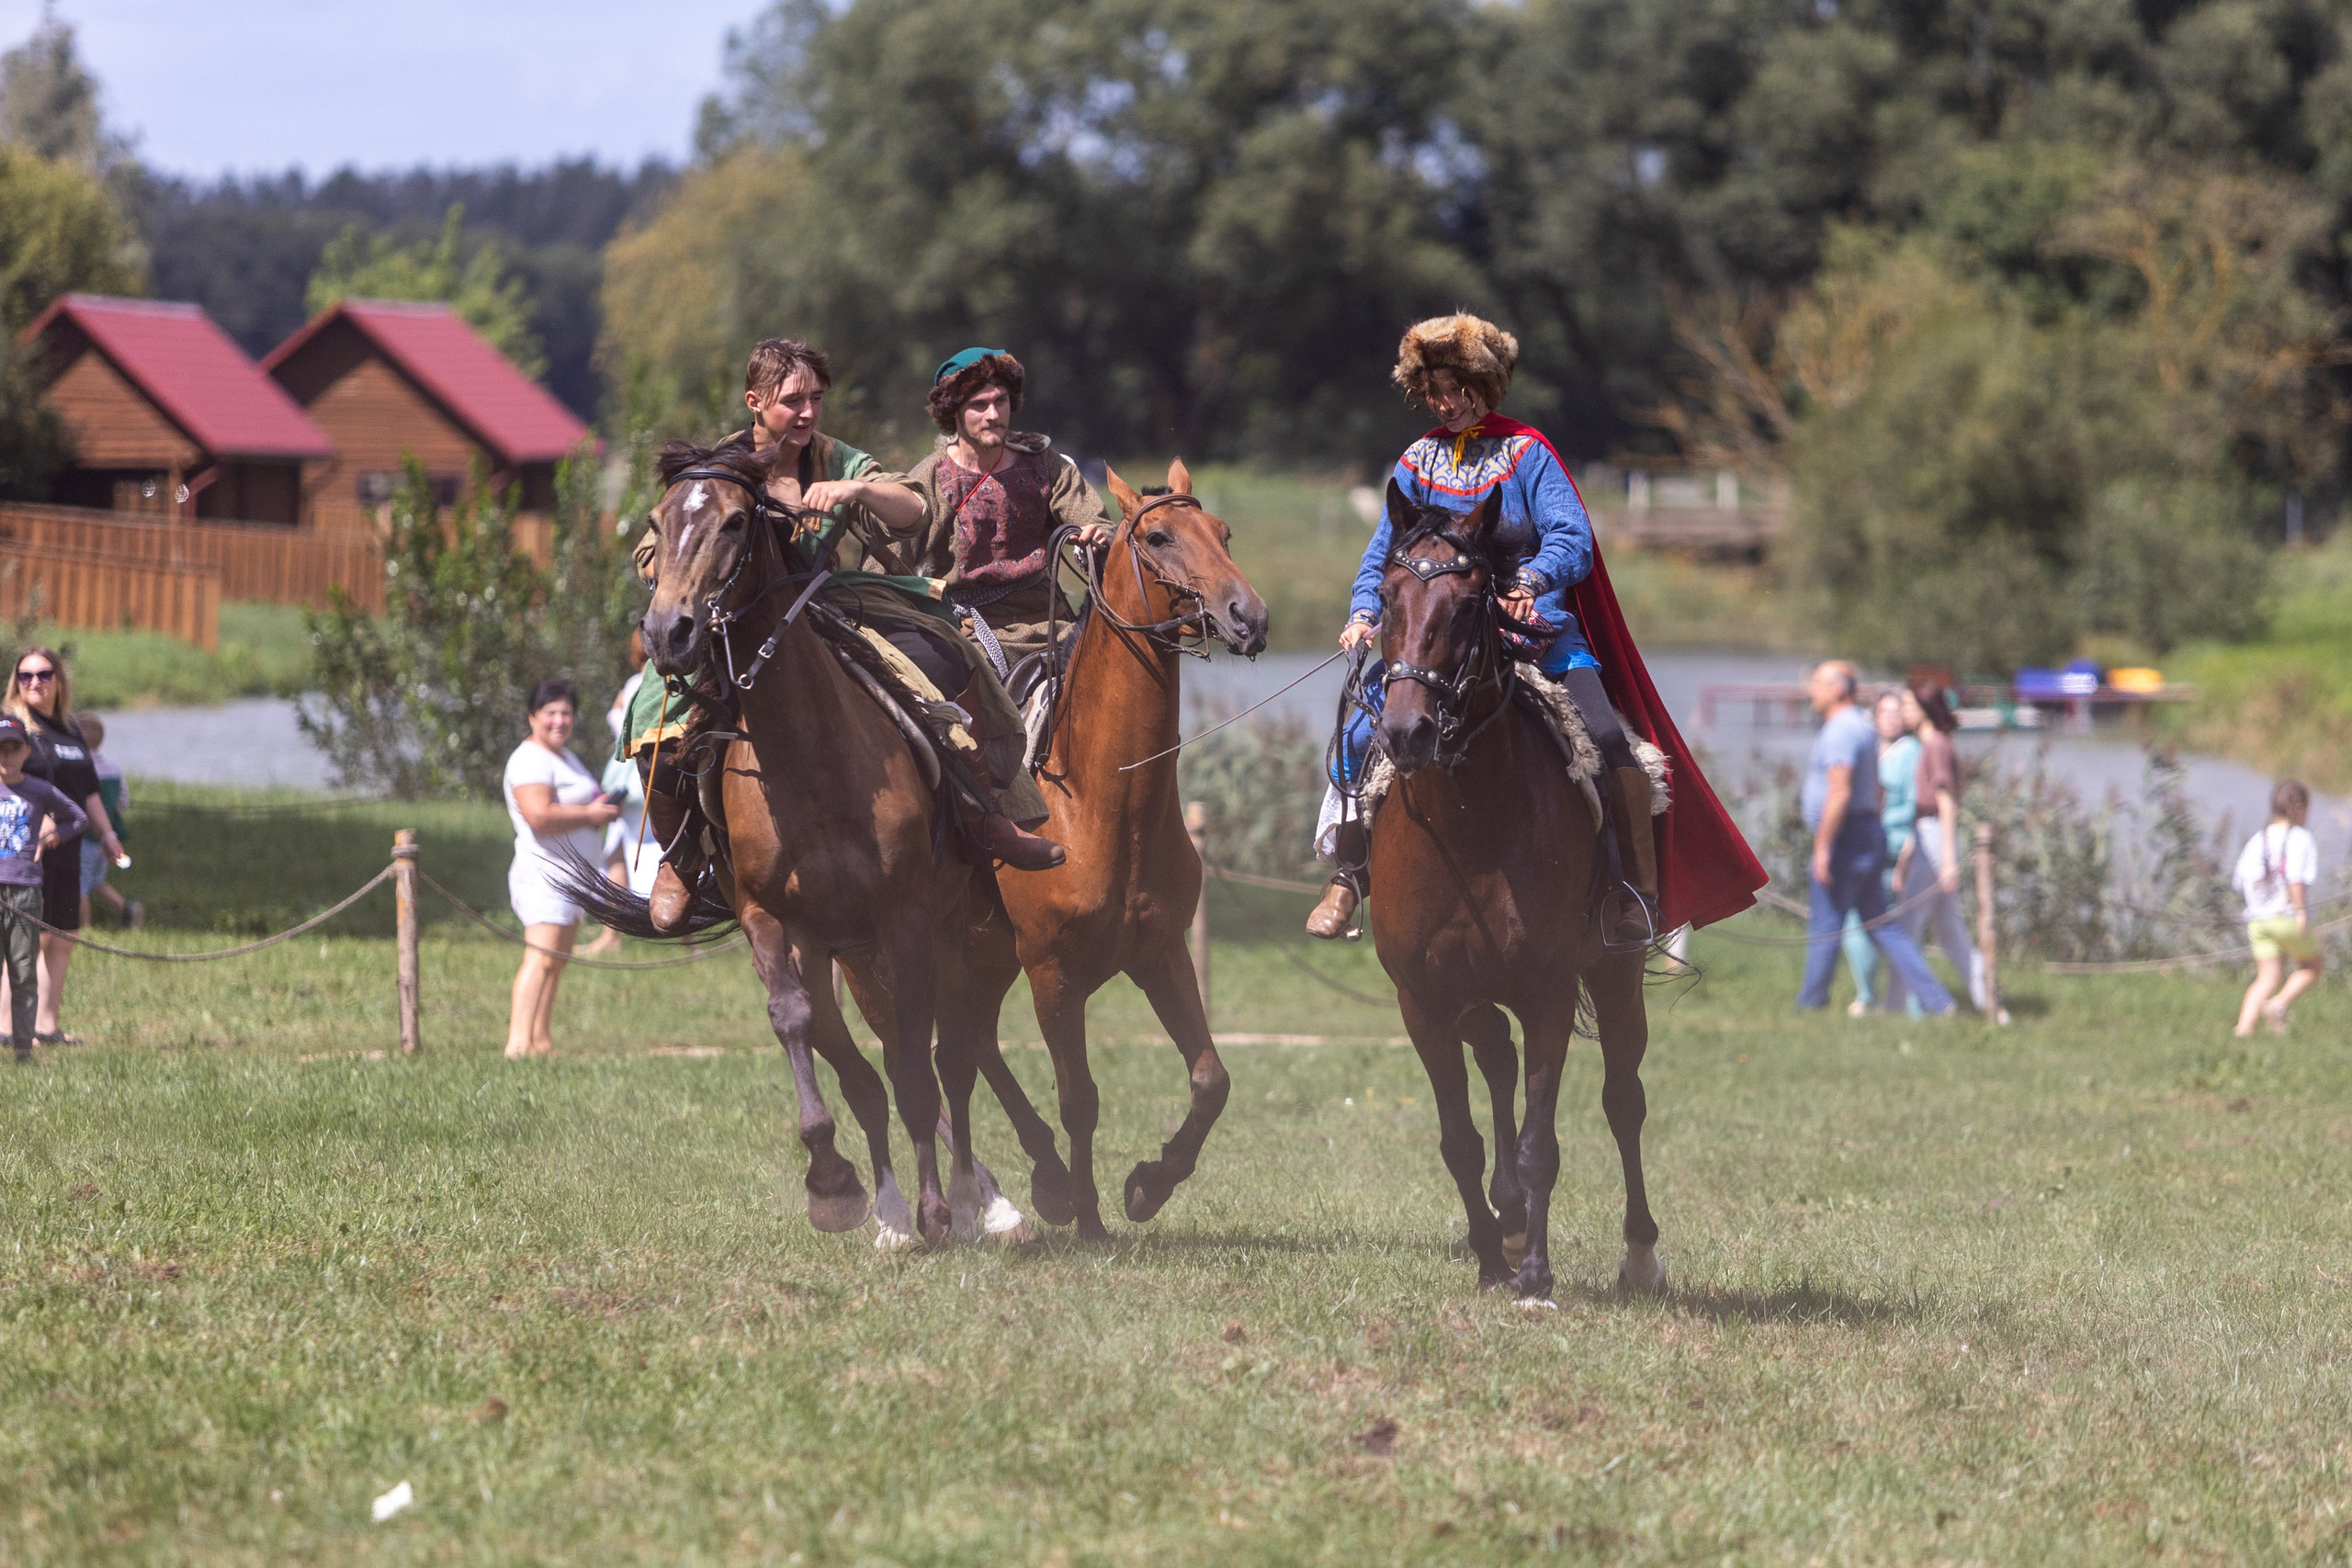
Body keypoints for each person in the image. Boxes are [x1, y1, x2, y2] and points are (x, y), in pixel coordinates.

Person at [625, 338, 1064, 931]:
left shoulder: (837, 458)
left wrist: (855, 491)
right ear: (754, 402)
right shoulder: (716, 469)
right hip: (731, 625)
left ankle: (978, 813)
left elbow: (912, 508)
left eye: (815, 399)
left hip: (821, 608)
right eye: (791, 401)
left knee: (944, 653)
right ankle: (680, 858)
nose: (807, 413)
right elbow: (654, 550)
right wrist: (681, 573)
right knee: (653, 714)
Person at [1311, 315, 1656, 944]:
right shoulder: (1417, 460)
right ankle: (1350, 875)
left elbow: (1571, 535)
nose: (1443, 404)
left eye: (1455, 389)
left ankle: (1631, 891)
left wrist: (1531, 582)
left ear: (1484, 386)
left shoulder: (1529, 453)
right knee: (1357, 738)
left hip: (1535, 630)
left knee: (1608, 739)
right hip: (1436, 642)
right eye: (1433, 391)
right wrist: (1364, 610)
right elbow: (1383, 553)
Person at [1797, 660, 1956, 1015]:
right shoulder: (1863, 729)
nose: (1811, 689)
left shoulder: (1840, 731)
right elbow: (1877, 789)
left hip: (1847, 836)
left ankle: (1811, 1003)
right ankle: (1938, 1001)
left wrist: (1823, 846)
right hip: (1867, 830)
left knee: (1826, 923)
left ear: (1838, 689)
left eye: (1817, 682)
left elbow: (1839, 792)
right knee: (1882, 925)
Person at [4, 648, 122, 1044]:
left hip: (69, 846)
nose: (34, 682)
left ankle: (47, 1026)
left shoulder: (71, 729)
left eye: (43, 674)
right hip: (26, 852)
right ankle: (8, 1028)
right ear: (16, 682)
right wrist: (42, 818)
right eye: (25, 676)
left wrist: (107, 835)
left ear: (58, 680)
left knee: (64, 935)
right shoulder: (12, 727)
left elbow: (88, 792)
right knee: (29, 938)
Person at [503, 679, 620, 1059]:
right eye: (550, 712)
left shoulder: (564, 757)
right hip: (545, 875)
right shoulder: (529, 759)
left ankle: (541, 1041)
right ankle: (518, 1044)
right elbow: (538, 815)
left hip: (572, 878)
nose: (559, 720)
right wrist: (590, 814)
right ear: (532, 716)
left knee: (556, 962)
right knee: (539, 958)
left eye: (566, 712)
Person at [1883, 682, 1986, 1014]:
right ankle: (1989, 1002)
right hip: (1926, 833)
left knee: (1906, 928)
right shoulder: (1930, 744)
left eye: (1909, 706)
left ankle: (1897, 1007)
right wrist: (1906, 860)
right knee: (1950, 932)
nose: (1904, 712)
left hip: (1934, 835)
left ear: (1926, 709)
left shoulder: (1934, 746)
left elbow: (1945, 803)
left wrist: (1947, 859)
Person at [0, 716, 85, 1060]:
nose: (6, 755)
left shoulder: (38, 789)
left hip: (25, 891)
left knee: (22, 971)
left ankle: (23, 1047)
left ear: (26, 751)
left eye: (13, 748)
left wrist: (51, 836)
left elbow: (77, 817)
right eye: (0, 749)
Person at [1838, 690, 1917, 1015]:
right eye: (1884, 712)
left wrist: (1905, 859)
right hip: (1865, 846)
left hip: (1893, 850)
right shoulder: (1871, 749)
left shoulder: (1911, 753)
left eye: (1896, 712)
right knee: (1858, 926)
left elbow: (1915, 809)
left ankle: (1898, 1001)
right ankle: (1871, 995)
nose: (1890, 718)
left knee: (1881, 926)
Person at [2233, 779, 2321, 1037]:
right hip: (2287, 919)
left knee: (2267, 978)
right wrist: (2301, 911)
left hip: (2258, 920)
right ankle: (2278, 1004)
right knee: (2312, 965)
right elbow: (2295, 878)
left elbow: (2240, 880)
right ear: (2299, 807)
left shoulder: (2258, 838)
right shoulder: (2300, 838)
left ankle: (2243, 1029)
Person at [75, 714, 140, 930]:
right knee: (96, 882)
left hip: (85, 836)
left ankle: (85, 929)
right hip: (107, 836)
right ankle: (127, 909)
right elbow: (123, 800)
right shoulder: (113, 769)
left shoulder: (79, 769)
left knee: (80, 886)